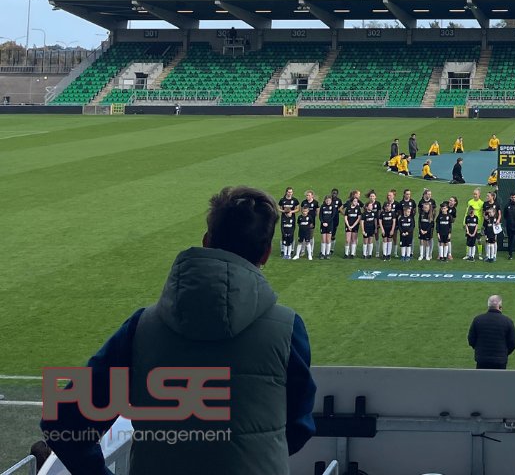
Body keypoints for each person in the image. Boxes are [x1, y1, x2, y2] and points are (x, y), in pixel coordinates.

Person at [41, 186, 317, 475]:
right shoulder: (288, 327)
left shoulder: (141, 327)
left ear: (207, 240)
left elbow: (63, 422)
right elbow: (299, 427)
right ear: (266, 253)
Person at [468, 295, 515, 370]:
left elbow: (471, 340)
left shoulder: (477, 320)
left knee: (482, 381)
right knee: (499, 381)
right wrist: (504, 353)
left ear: (488, 306)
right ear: (500, 307)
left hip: (482, 360)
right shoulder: (507, 321)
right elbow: (513, 343)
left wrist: (479, 350)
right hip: (500, 361)